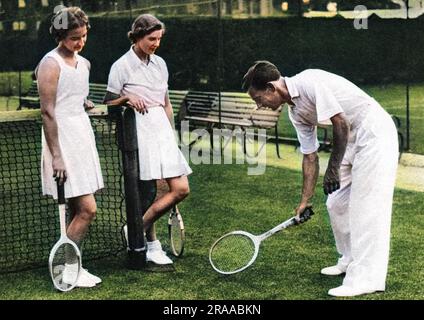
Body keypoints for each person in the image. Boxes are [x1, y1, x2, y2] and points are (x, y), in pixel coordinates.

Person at [242, 61, 398, 297]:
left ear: (272, 88)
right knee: (336, 203)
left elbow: (340, 122)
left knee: (367, 207)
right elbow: (310, 156)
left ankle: (367, 279)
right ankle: (348, 259)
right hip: (350, 139)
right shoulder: (295, 112)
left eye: (259, 99)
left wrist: (333, 169)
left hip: (374, 131)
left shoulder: (310, 81)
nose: (259, 105)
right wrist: (305, 199)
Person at [104, 14, 191, 265]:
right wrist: (126, 98)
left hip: (162, 130)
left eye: (159, 39)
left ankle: (135, 229)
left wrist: (172, 137)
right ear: (138, 36)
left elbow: (166, 104)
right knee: (151, 192)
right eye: (151, 39)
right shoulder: (121, 65)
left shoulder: (160, 64)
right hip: (138, 131)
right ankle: (151, 245)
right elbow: (108, 105)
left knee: (179, 189)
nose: (156, 43)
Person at [36, 7, 103, 287]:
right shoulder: (50, 64)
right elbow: (48, 112)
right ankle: (67, 270)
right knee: (88, 209)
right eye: (75, 37)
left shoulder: (84, 64)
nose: (80, 42)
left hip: (82, 136)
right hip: (61, 141)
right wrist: (57, 157)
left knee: (79, 210)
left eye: (84, 36)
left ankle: (74, 266)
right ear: (60, 36)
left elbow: (73, 97)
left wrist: (83, 102)